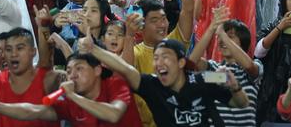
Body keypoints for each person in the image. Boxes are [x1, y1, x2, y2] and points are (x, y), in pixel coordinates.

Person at [78, 35, 249, 127]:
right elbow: (125, 69)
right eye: (156, 58)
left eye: (165, 57)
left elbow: (241, 103)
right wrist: (94, 49)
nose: (158, 63)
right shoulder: (152, 85)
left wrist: (235, 86)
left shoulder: (204, 78)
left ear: (181, 62)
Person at [0, 52, 143, 126]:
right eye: (69, 71)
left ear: (97, 70)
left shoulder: (116, 85)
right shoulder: (69, 101)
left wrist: (73, 96)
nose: (72, 75)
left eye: (79, 69)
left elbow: (113, 114)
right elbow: (35, 111)